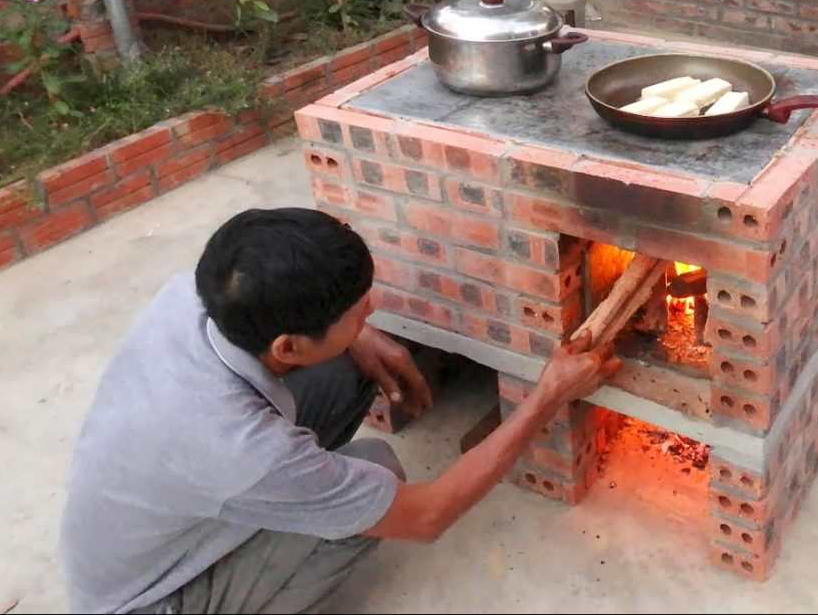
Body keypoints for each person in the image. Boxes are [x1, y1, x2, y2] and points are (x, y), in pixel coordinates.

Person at [58, 207, 622, 614]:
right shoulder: (245, 449)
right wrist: (547, 395)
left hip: (177, 501)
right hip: (154, 600)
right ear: (287, 348)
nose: (372, 310)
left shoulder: (200, 294)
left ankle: (309, 483)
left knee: (348, 367)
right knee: (379, 466)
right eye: (359, 312)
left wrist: (355, 336)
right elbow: (426, 518)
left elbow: (312, 349)